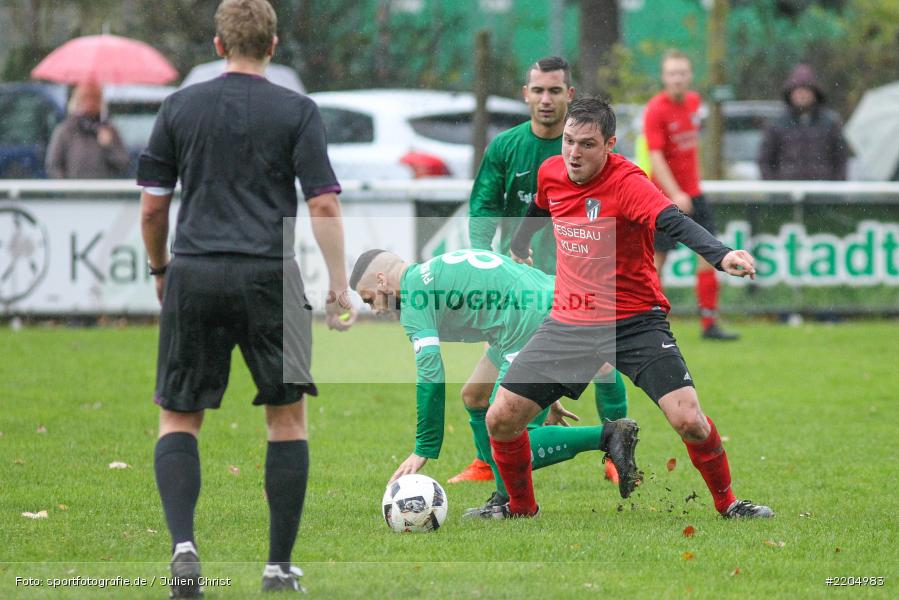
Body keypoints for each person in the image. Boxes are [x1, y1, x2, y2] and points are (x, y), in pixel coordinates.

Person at [137, 0, 355, 596]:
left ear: (216, 45)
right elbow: (324, 204)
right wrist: (339, 285)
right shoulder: (297, 110)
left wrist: (160, 267)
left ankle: (184, 547)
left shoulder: (180, 106)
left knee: (179, 414)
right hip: (270, 275)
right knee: (286, 420)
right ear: (274, 45)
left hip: (196, 270)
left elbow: (154, 205)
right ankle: (278, 568)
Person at [482, 96, 773, 521]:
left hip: (635, 321)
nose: (573, 153)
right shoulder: (552, 172)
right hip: (571, 320)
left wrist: (720, 254)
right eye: (568, 142)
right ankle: (521, 508)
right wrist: (521, 242)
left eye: (586, 144)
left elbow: (673, 221)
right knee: (501, 418)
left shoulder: (628, 183)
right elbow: (541, 204)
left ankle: (729, 505)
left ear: (610, 144)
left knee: (689, 420)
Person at [348, 248, 639, 514]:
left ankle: (608, 436)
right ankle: (504, 496)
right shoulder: (433, 271)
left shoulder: (414, 299)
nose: (374, 309)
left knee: (506, 430)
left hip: (528, 322)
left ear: (382, 280)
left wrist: (424, 448)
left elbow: (430, 374)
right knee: (474, 395)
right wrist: (543, 394)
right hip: (544, 301)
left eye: (369, 299)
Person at [461, 55, 628, 484]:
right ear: (525, 94)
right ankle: (488, 462)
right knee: (480, 391)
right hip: (519, 286)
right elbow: (483, 207)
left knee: (603, 365)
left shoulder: (586, 150)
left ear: (570, 96)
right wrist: (485, 260)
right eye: (538, 90)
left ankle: (614, 453)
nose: (546, 99)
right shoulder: (505, 147)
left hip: (577, 284)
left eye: (555, 91)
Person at [643, 50, 737, 340]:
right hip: (663, 198)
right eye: (672, 73)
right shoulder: (656, 109)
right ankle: (652, 325)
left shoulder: (695, 103)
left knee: (710, 256)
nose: (677, 79)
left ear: (690, 75)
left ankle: (709, 324)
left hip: (694, 194)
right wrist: (674, 193)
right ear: (664, 77)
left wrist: (691, 187)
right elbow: (655, 155)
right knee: (657, 263)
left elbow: (689, 151)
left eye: (682, 73)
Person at [758, 63, 849, 181]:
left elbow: (840, 159)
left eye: (806, 90)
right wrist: (776, 189)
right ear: (790, 93)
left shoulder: (830, 123)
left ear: (814, 93)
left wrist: (835, 188)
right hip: (787, 195)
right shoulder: (776, 124)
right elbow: (765, 160)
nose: (801, 95)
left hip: (823, 193)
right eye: (797, 90)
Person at [45, 81, 131, 178]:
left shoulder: (109, 129)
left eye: (94, 97)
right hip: (74, 191)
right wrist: (67, 186)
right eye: (85, 97)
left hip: (104, 191)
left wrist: (109, 146)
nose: (90, 102)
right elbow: (53, 165)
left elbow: (123, 164)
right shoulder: (66, 130)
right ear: (77, 100)